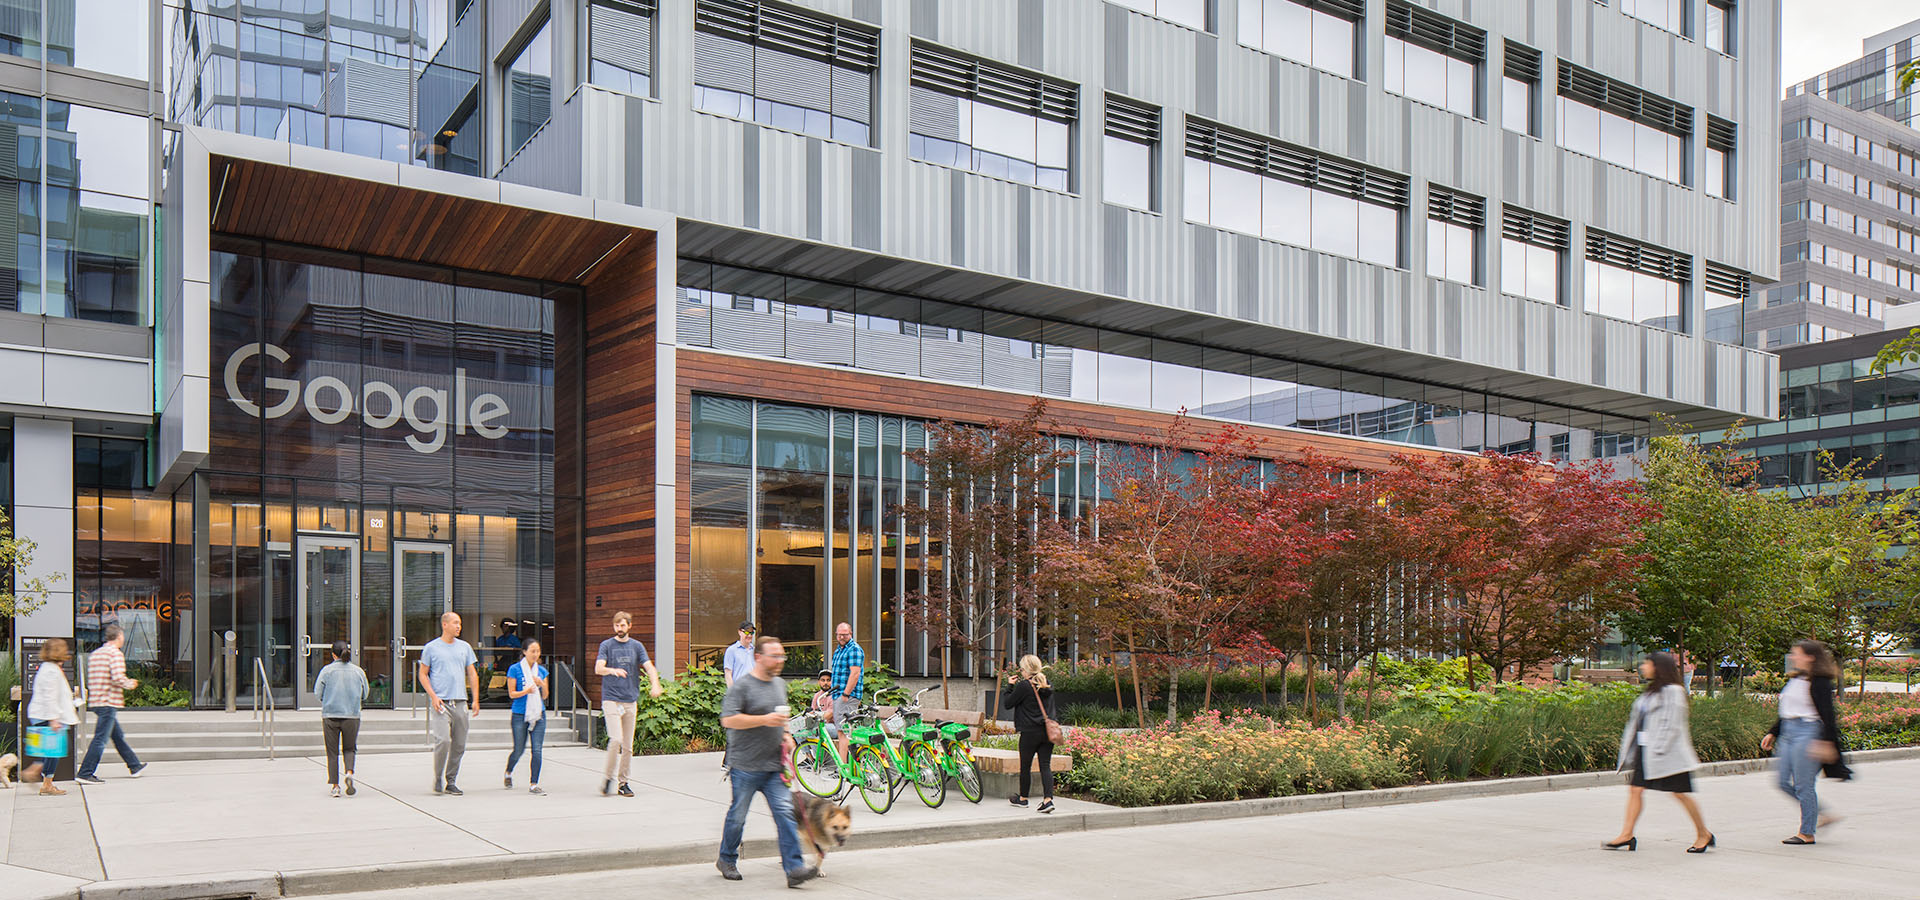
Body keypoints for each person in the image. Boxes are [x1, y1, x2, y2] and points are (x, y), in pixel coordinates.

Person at [714, 635, 816, 888]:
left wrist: (787, 736)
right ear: (759, 657)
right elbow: (728, 720)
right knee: (738, 815)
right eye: (775, 656)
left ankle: (794, 869)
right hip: (745, 766)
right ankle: (726, 859)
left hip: (774, 767)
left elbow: (781, 721)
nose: (780, 660)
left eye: (782, 655)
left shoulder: (779, 685)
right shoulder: (742, 686)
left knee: (785, 814)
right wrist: (763, 720)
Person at [1605, 651, 1711, 853]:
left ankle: (1703, 833)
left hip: (1668, 754)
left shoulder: (1674, 691)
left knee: (1680, 794)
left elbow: (1673, 724)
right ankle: (1626, 835)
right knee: (1635, 790)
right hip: (1645, 751)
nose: (1643, 667)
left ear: (1658, 667)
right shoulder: (1651, 691)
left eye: (1647, 664)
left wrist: (1660, 749)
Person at [1762, 639, 1851, 845]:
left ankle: (1807, 832)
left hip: (1808, 732)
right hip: (1788, 732)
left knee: (1803, 785)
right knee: (1782, 782)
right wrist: (1773, 732)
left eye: (1796, 653)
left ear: (1810, 657)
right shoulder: (1796, 678)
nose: (1792, 657)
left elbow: (1828, 714)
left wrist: (1827, 742)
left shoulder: (1820, 681)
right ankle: (1823, 814)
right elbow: (1787, 710)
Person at [595, 610, 664, 797]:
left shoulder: (637, 646)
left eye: (623, 625)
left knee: (627, 746)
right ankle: (608, 777)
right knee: (615, 739)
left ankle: (623, 783)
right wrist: (612, 670)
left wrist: (655, 684)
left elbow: (649, 667)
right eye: (617, 625)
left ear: (630, 626)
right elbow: (598, 668)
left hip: (630, 700)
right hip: (611, 699)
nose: (619, 629)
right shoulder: (607, 645)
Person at [76, 624, 147, 784]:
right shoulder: (114, 653)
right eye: (122, 636)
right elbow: (117, 677)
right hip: (108, 701)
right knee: (100, 739)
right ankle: (85, 773)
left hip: (97, 701)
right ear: (119, 636)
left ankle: (134, 765)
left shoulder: (95, 654)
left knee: (117, 736)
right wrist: (129, 683)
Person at [419, 611, 479, 796]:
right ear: (444, 625)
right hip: (441, 703)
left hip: (460, 702)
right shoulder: (431, 648)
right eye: (455, 623)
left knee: (459, 744)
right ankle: (438, 777)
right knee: (443, 740)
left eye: (459, 623)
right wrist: (433, 696)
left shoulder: (465, 647)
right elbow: (423, 674)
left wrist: (475, 699)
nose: (458, 626)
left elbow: (472, 673)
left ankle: (450, 781)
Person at [21, 638, 80, 795]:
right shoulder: (51, 671)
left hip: (45, 714)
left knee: (51, 750)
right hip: (47, 716)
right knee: (53, 749)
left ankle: (45, 781)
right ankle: (36, 773)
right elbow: (50, 696)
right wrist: (54, 719)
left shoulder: (49, 668)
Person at [1002, 654, 1057, 814]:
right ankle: (1048, 800)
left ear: (1026, 669)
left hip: (1030, 732)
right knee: (1045, 765)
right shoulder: (1046, 683)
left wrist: (1010, 686)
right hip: (1047, 731)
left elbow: (1008, 703)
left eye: (1022, 668)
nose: (1021, 671)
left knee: (1025, 766)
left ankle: (1023, 799)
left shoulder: (1024, 686)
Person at [314, 640, 368, 798]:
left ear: (333, 654)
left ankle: (335, 786)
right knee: (350, 748)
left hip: (330, 715)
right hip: (351, 715)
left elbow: (318, 693)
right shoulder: (358, 671)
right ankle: (349, 773)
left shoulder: (327, 671)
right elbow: (365, 694)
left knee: (332, 752)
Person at [505, 639, 551, 795]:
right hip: (520, 713)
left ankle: (534, 783)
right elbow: (512, 694)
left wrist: (542, 684)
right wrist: (526, 691)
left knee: (537, 749)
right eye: (532, 651)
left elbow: (545, 696)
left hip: (538, 713)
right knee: (519, 749)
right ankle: (509, 771)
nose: (535, 654)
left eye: (538, 651)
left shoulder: (541, 671)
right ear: (524, 652)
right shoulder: (515, 669)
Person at [828, 622, 864, 765]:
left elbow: (855, 674)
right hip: (839, 696)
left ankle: (843, 768)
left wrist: (846, 694)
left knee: (844, 733)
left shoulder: (854, 649)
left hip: (847, 697)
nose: (842, 637)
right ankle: (848, 767)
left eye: (845, 634)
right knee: (843, 732)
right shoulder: (839, 650)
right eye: (839, 634)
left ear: (851, 634)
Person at [722, 621, 756, 686]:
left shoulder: (755, 651)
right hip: (739, 691)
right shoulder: (731, 650)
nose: (749, 635)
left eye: (752, 633)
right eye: (746, 632)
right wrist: (732, 693)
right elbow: (728, 674)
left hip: (754, 691)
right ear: (739, 632)